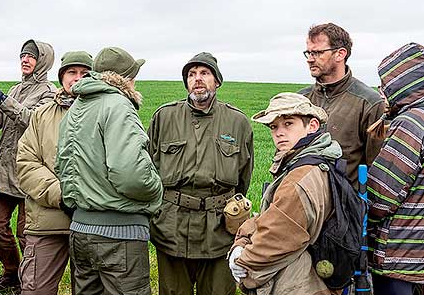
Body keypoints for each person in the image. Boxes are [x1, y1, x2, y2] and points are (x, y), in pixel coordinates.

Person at [55, 46, 163, 295]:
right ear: (126, 78)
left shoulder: (74, 110)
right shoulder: (118, 106)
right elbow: (130, 175)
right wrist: (157, 191)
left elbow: (62, 166)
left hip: (80, 231)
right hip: (119, 235)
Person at [148, 52, 254, 295]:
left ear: (217, 81)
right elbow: (149, 169)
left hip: (219, 230)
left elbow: (244, 176)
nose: (197, 79)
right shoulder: (164, 117)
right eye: (191, 74)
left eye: (204, 73)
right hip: (171, 228)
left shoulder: (237, 122)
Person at [228, 92, 342, 295]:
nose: (279, 132)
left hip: (298, 285)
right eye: (274, 126)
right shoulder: (313, 161)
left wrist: (242, 264)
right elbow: (271, 216)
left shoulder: (300, 178)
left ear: (312, 126)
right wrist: (243, 239)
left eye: (288, 124)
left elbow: (275, 238)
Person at [16, 51, 93, 294]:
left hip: (93, 223)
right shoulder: (42, 115)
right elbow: (26, 163)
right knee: (36, 289)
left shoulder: (104, 113)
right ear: (62, 77)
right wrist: (62, 195)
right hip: (47, 222)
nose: (77, 78)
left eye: (85, 74)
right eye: (72, 72)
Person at [0, 39, 56, 292]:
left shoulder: (50, 92)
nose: (25, 59)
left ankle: (30, 282)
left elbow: (32, 119)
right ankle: (12, 273)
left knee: (27, 235)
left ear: (43, 61)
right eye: (23, 55)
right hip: (5, 174)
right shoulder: (17, 89)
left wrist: (3, 99)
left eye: (31, 56)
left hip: (29, 174)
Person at [367, 43, 424, 295]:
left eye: (385, 85)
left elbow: (381, 194)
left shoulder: (412, 122)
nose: (381, 92)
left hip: (402, 255)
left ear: (403, 85)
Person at [298, 22, 385, 187]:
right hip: (300, 205)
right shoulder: (300, 100)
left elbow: (377, 170)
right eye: (308, 53)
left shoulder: (369, 103)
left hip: (344, 208)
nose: (310, 59)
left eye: (317, 52)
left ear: (340, 54)